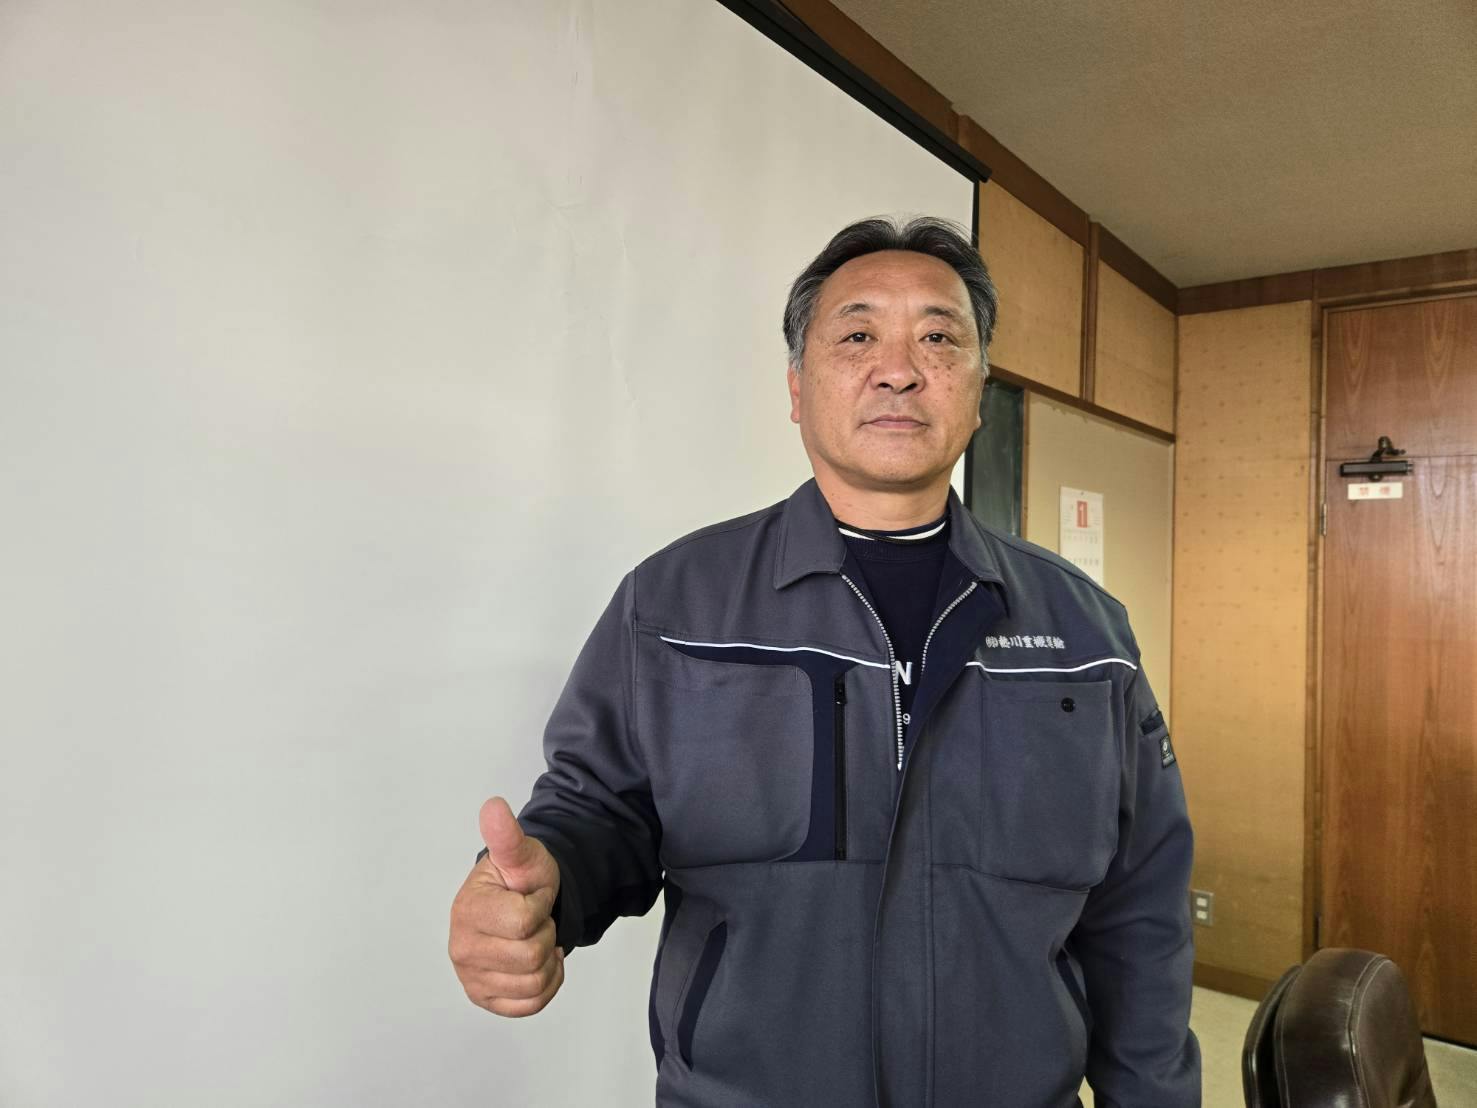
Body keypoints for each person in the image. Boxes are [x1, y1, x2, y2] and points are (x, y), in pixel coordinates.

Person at [448, 215, 1201, 1107]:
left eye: (938, 338)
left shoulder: (1085, 631)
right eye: (856, 336)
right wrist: (544, 890)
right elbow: (598, 810)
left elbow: (1140, 913)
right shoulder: (675, 602)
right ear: (797, 388)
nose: (898, 369)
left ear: (978, 386)